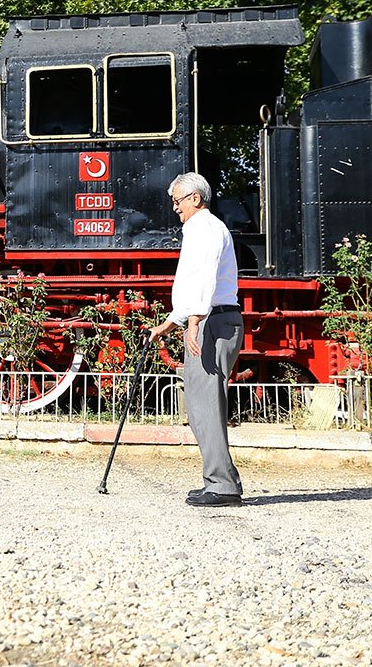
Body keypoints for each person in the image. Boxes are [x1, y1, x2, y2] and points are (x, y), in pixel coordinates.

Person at [147, 172, 245, 507]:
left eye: (177, 200)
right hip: (213, 318)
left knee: (205, 406)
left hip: (212, 322)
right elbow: (196, 285)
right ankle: (221, 480)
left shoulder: (203, 228)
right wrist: (170, 323)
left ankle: (222, 486)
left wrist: (194, 321)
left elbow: (203, 278)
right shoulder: (202, 228)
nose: (174, 206)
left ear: (195, 198)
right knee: (203, 405)